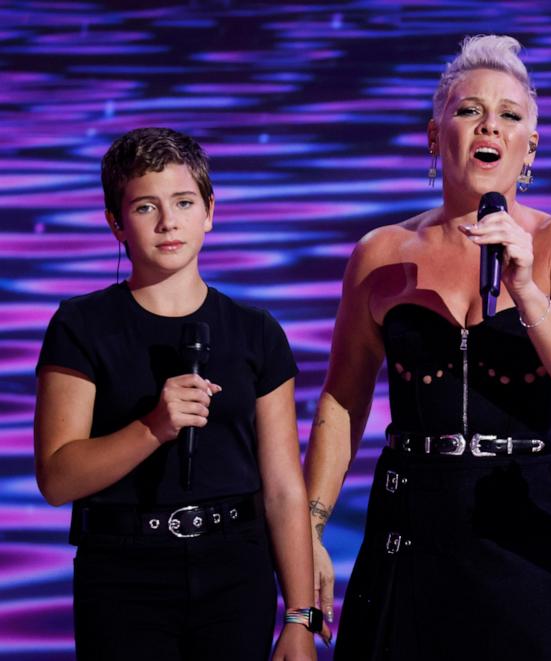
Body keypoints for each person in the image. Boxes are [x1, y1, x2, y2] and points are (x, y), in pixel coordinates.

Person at [303, 34, 551, 660]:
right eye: (470, 109)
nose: (488, 125)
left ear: (529, 145)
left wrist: (526, 290)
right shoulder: (381, 253)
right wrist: (309, 529)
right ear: (434, 134)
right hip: (415, 517)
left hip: (525, 517)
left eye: (509, 114)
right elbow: (343, 401)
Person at [34, 128, 319, 661]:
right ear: (116, 223)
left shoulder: (256, 332)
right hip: (123, 574)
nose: (169, 223)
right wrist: (152, 428)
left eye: (184, 202)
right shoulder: (81, 326)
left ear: (209, 211)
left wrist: (300, 617)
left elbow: (283, 487)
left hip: (236, 569)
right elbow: (57, 478)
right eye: (146, 207)